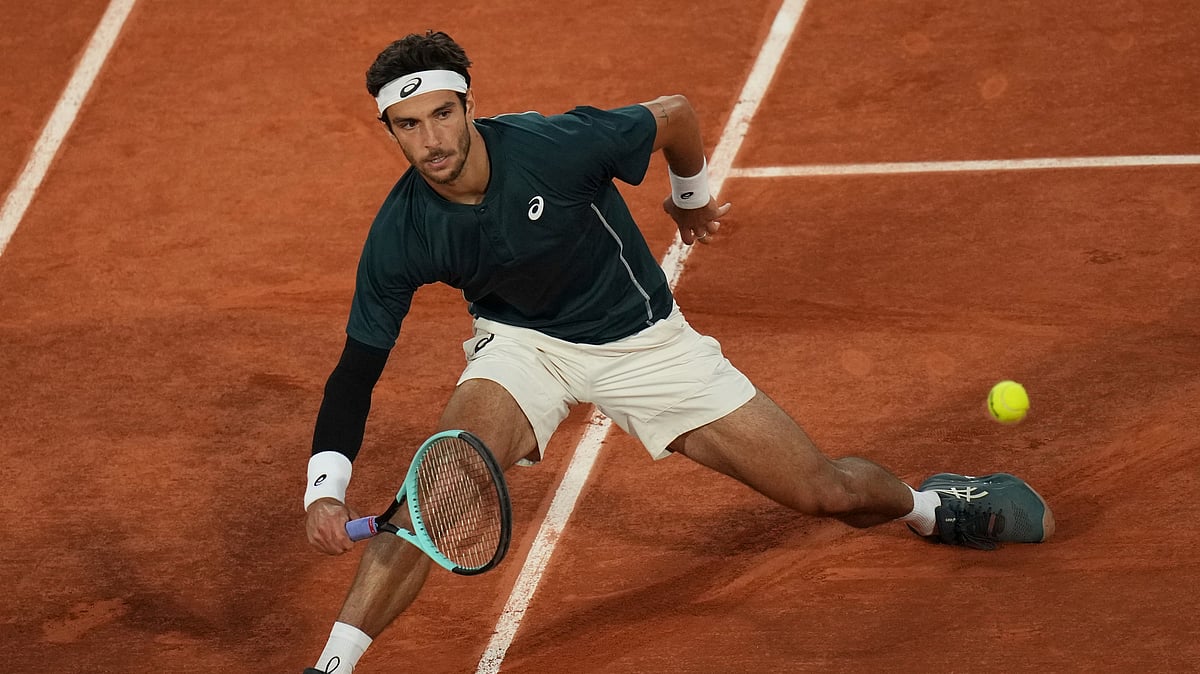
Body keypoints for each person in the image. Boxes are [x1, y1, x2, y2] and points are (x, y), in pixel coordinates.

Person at [301, 30, 1054, 673]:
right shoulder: (400, 230)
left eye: (441, 114)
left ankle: (929, 505)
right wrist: (324, 491)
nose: (431, 140)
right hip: (524, 345)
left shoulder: (557, 148)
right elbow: (356, 370)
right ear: (390, 131)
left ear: (469, 105)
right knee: (437, 488)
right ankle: (332, 665)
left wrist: (689, 198)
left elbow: (676, 116)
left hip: (643, 344)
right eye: (408, 125)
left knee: (826, 492)